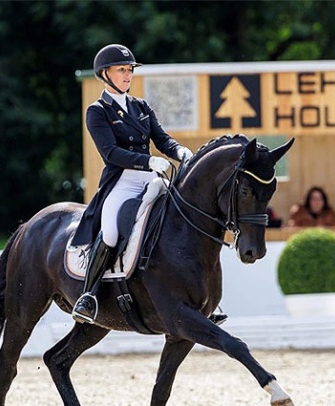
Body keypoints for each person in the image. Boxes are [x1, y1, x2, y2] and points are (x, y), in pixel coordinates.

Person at [70, 43, 226, 326]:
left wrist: (179, 151)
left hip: (153, 178)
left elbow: (162, 138)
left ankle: (203, 297)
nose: (128, 75)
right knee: (111, 231)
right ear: (104, 74)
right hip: (123, 181)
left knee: (183, 218)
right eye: (121, 70)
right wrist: (148, 161)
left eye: (129, 70)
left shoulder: (140, 106)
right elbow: (110, 153)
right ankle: (89, 296)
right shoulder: (98, 111)